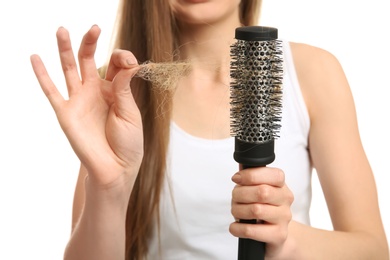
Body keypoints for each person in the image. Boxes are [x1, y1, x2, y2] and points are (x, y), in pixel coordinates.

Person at [30, 0, 389, 259]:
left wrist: (290, 241)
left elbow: (373, 250)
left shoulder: (313, 73)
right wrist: (108, 187)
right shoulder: (120, 86)